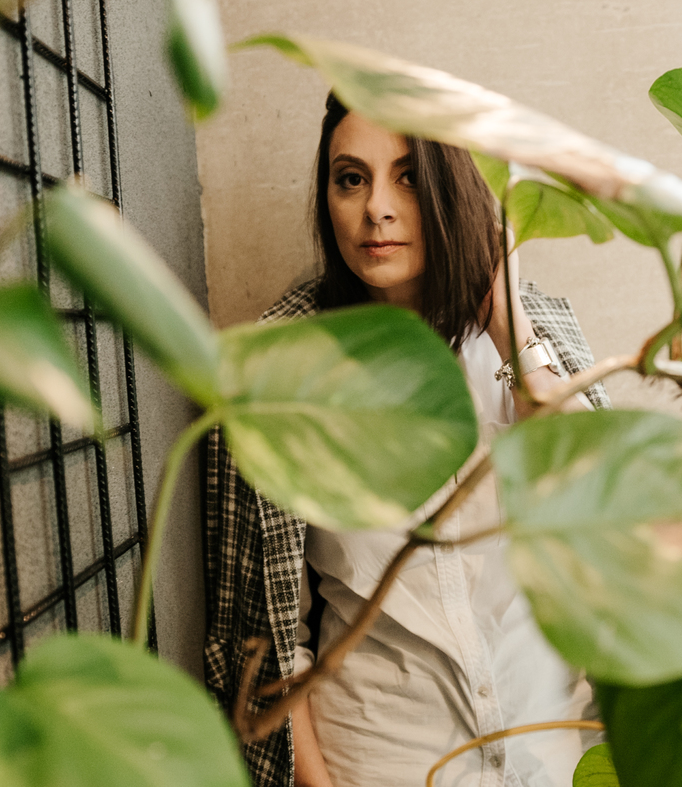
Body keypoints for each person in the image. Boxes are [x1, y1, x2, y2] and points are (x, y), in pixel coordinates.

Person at [204, 92, 611, 787]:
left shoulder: (538, 331)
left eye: (409, 178)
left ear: (452, 190)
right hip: (383, 758)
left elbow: (606, 507)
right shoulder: (273, 375)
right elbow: (261, 634)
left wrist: (510, 326)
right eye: (351, 179)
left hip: (556, 745)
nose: (377, 210)